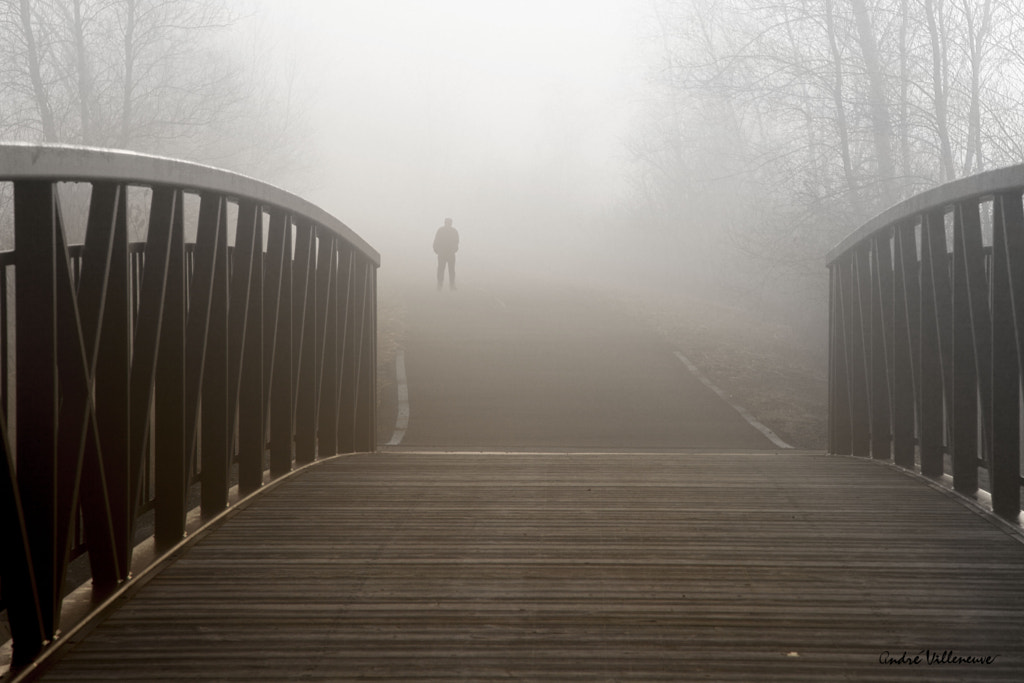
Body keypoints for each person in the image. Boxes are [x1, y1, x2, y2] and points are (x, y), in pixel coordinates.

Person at [433, 217, 459, 290]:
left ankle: (448, 285)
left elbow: (456, 242)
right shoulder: (452, 231)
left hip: (447, 253)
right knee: (443, 269)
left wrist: (436, 250)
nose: (448, 224)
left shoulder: (442, 230)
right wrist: (436, 250)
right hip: (445, 253)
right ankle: (442, 285)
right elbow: (436, 241)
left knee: (448, 270)